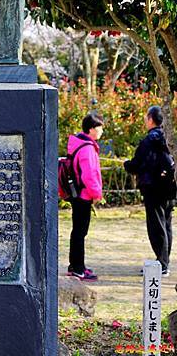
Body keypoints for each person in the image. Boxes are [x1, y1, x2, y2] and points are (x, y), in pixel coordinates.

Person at [124, 105, 175, 276]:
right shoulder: (168, 137)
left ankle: (162, 264)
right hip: (169, 187)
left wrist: (127, 165)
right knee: (166, 223)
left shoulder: (149, 141)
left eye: (146, 117)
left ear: (151, 119)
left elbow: (138, 164)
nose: (145, 120)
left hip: (153, 188)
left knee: (156, 226)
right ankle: (164, 261)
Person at [67, 113, 104, 281]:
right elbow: (90, 175)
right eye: (99, 128)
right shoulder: (87, 148)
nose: (101, 131)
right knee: (80, 232)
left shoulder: (78, 145)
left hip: (77, 194)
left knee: (77, 232)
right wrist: (97, 194)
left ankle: (75, 265)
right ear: (91, 129)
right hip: (84, 195)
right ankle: (78, 269)